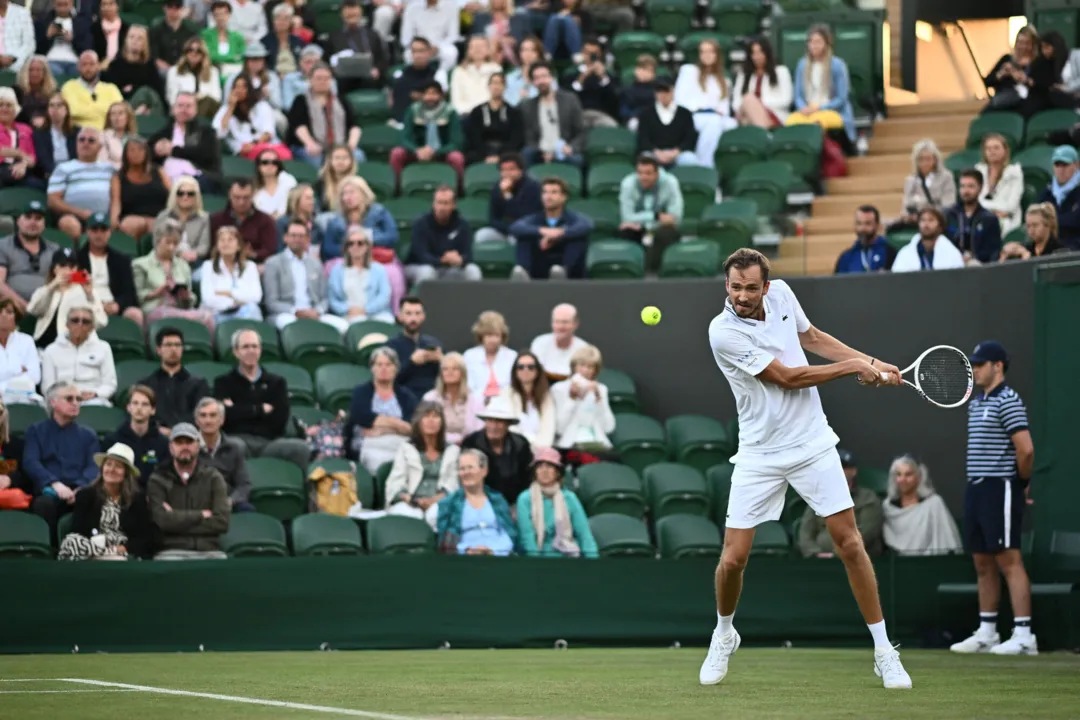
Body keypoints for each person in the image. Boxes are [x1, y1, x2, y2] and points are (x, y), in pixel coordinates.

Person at [701, 247, 911, 688]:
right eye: (735, 287)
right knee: (733, 559)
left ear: (767, 286)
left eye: (751, 288)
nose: (742, 295)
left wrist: (870, 361)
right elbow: (788, 378)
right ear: (727, 285)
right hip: (759, 452)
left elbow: (812, 337)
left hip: (812, 442)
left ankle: (882, 650)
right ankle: (724, 633)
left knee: (850, 543)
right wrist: (853, 367)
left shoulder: (783, 296)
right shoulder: (722, 332)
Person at [950, 341, 1037, 656]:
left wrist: (1020, 482)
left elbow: (1025, 449)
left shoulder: (1008, 401)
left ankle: (1025, 636)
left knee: (1008, 559)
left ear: (998, 366)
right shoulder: (976, 402)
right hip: (976, 487)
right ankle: (987, 632)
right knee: (982, 560)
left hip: (1000, 487)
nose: (974, 370)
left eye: (980, 364)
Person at [213, 328, 310, 467]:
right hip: (238, 439)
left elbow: (279, 420)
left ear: (260, 350)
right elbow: (224, 418)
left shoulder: (277, 383)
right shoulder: (223, 382)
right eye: (245, 347)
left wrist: (237, 409)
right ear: (236, 352)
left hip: (270, 442)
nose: (251, 350)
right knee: (232, 446)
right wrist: (259, 410)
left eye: (255, 346)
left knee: (301, 448)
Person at [25, 382, 101, 545]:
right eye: (69, 398)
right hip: (50, 490)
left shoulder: (88, 435)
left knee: (91, 499)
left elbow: (93, 466)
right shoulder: (36, 431)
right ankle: (51, 550)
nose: (75, 403)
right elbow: (31, 462)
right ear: (53, 402)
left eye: (78, 399)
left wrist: (80, 487)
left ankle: (80, 549)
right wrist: (55, 484)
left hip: (80, 491)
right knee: (43, 504)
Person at [57, 442, 158, 560]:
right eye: (108, 464)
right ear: (102, 468)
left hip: (120, 551)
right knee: (71, 541)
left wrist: (119, 549)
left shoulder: (137, 499)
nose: (112, 469)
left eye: (118, 466)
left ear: (126, 473)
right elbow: (77, 531)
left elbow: (144, 537)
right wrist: (98, 548)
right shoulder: (86, 495)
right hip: (90, 548)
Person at [147, 421, 231, 560]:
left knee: (221, 562)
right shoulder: (158, 479)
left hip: (209, 550)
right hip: (171, 551)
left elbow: (222, 522)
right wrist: (201, 515)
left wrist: (175, 517)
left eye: (189, 442)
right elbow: (161, 521)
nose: (184, 447)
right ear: (171, 447)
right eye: (179, 442)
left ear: (198, 446)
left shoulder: (213, 477)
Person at [384, 400, 460, 528]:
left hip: (440, 501)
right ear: (418, 421)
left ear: (442, 422)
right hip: (410, 501)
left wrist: (434, 500)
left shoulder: (452, 451)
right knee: (409, 516)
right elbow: (395, 482)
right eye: (426, 416)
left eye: (436, 416)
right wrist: (411, 499)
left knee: (436, 514)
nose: (431, 420)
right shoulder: (406, 448)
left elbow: (453, 483)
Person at [797, 449, 883, 558]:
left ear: (853, 471)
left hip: (856, 559)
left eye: (844, 467)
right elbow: (805, 532)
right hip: (819, 560)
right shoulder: (818, 498)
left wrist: (836, 554)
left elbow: (868, 533)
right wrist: (815, 553)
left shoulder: (867, 498)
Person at [263, 219, 345, 331]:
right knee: (290, 324)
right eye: (293, 235)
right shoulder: (273, 263)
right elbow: (271, 302)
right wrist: (296, 311)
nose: (297, 239)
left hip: (314, 313)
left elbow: (325, 299)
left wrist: (317, 311)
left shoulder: (316, 264)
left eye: (301, 236)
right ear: (285, 238)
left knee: (343, 326)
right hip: (286, 314)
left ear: (308, 239)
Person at [346, 345, 418, 473]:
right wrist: (397, 424)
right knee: (381, 464)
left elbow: (412, 427)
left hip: (399, 444)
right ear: (372, 368)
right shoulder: (361, 392)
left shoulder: (406, 396)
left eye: (388, 365)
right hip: (368, 444)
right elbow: (361, 417)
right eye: (379, 365)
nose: (383, 369)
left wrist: (381, 429)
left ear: (396, 368)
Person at [132, 219, 214, 330]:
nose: (171, 247)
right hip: (156, 308)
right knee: (167, 315)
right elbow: (137, 296)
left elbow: (192, 296)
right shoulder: (140, 265)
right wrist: (158, 291)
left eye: (175, 243)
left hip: (182, 308)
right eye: (168, 242)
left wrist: (187, 296)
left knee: (208, 317)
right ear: (158, 241)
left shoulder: (183, 266)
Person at [516, 447, 597, 557]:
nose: (544, 471)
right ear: (535, 472)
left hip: (568, 556)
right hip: (539, 557)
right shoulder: (525, 499)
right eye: (540, 466)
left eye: (549, 466)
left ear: (557, 472)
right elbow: (527, 536)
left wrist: (593, 560)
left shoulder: (569, 498)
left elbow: (584, 533)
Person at [785, 24, 857, 149]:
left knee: (817, 124)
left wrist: (820, 108)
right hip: (807, 110)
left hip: (830, 110)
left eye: (818, 42)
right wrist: (803, 108)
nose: (814, 45)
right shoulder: (802, 65)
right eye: (811, 42)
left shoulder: (837, 65)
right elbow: (797, 96)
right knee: (791, 122)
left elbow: (841, 98)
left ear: (826, 43)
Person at [436, 448, 516, 555]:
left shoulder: (498, 500)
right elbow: (444, 540)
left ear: (484, 471)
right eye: (462, 469)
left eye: (470, 467)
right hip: (463, 561)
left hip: (498, 559)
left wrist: (494, 550)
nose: (466, 472)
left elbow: (509, 534)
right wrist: (466, 550)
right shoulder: (449, 503)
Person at [509, 176, 592, 280]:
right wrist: (542, 231)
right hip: (539, 265)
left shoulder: (572, 217)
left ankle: (563, 271)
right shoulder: (535, 218)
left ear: (563, 197)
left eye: (554, 192)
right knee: (524, 237)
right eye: (545, 192)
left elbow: (587, 225)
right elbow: (515, 227)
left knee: (578, 239)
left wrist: (559, 233)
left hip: (569, 268)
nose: (548, 196)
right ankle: (523, 273)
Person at [881, 454, 962, 556]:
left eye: (908, 474)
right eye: (899, 474)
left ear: (919, 477)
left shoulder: (934, 504)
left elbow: (949, 541)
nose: (903, 479)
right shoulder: (888, 507)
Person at [674, 39, 737, 168]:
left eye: (710, 51)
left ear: (717, 55)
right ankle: (706, 166)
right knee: (712, 122)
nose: (706, 55)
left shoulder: (724, 81)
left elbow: (724, 109)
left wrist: (717, 112)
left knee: (731, 123)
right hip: (692, 115)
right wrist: (705, 108)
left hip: (717, 117)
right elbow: (680, 100)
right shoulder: (688, 71)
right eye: (703, 52)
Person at [390, 80, 465, 187]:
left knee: (457, 157)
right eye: (427, 93)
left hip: (442, 153)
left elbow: (457, 142)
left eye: (434, 93)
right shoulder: (413, 110)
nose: (430, 97)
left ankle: (459, 192)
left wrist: (436, 152)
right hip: (418, 152)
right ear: (422, 96)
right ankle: (397, 189)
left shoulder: (450, 112)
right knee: (396, 153)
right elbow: (404, 138)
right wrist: (417, 150)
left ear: (441, 95)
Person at [27, 248, 107, 349]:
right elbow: (33, 310)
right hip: (43, 345)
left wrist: (90, 295)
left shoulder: (86, 291)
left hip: (72, 347)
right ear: (55, 269)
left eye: (72, 267)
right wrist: (51, 287)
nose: (68, 271)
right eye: (63, 266)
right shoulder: (46, 290)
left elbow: (101, 322)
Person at [286, 62, 362, 168]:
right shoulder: (301, 100)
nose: (323, 81)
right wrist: (310, 143)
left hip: (339, 146)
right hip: (308, 146)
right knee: (315, 159)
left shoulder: (341, 100)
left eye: (326, 78)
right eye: (319, 78)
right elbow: (299, 126)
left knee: (358, 155)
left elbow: (354, 126)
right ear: (310, 80)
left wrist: (351, 145)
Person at [46, 126, 115, 241]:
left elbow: (116, 197)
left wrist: (112, 217)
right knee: (69, 223)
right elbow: (52, 200)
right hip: (73, 216)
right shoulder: (63, 168)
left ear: (100, 147)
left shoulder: (109, 169)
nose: (85, 143)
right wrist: (81, 212)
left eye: (91, 140)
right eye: (81, 140)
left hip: (104, 217)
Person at [138, 326, 211, 432]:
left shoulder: (198, 385)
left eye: (177, 345)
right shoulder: (146, 385)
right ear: (158, 350)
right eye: (168, 345)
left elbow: (201, 414)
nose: (173, 349)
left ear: (182, 349)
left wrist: (175, 430)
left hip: (188, 437)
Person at [461, 395, 533, 504]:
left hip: (515, 502)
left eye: (499, 421)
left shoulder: (521, 444)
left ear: (507, 424)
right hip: (479, 501)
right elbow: (465, 477)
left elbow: (527, 479)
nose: (494, 426)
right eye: (490, 420)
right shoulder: (471, 442)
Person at [41, 303, 117, 406]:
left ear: (92, 327)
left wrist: (96, 393)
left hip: (92, 399)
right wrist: (67, 396)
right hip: (61, 399)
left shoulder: (103, 348)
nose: (79, 324)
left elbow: (110, 384)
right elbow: (47, 386)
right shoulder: (51, 350)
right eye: (75, 320)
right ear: (67, 324)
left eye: (85, 322)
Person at [405, 185, 481, 285]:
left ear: (454, 205)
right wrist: (442, 260)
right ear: (433, 204)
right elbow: (421, 255)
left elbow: (469, 254)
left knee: (473, 271)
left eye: (446, 203)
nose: (442, 208)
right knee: (427, 271)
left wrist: (460, 259)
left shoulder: (463, 225)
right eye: (439, 203)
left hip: (451, 267)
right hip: (420, 266)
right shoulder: (421, 223)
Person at [618, 154, 683, 269]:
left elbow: (675, 217)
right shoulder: (628, 184)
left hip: (660, 228)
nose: (643, 177)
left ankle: (658, 272)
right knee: (626, 231)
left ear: (657, 173)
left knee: (667, 232)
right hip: (638, 228)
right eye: (640, 173)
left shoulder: (670, 183)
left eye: (648, 173)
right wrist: (655, 216)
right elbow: (627, 217)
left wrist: (645, 220)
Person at [549, 343, 614, 455]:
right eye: (582, 365)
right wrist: (572, 399)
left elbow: (609, 428)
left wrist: (599, 401)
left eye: (590, 367)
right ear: (574, 367)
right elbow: (559, 429)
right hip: (570, 445)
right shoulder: (559, 389)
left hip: (597, 444)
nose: (585, 370)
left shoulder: (602, 389)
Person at [150, 92, 222, 190]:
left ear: (196, 110)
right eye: (180, 106)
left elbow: (205, 154)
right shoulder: (164, 133)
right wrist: (156, 150)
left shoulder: (206, 131)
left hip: (198, 179)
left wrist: (173, 150)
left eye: (188, 106)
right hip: (167, 180)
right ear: (173, 108)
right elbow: (147, 152)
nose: (183, 110)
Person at [194, 396, 253, 512]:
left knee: (248, 510)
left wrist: (230, 501)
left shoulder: (235, 447)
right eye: (203, 415)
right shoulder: (187, 447)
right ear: (196, 421)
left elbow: (244, 485)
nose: (208, 420)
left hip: (227, 501)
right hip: (196, 504)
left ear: (222, 420)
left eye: (213, 415)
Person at [520, 63, 585, 167]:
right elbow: (529, 138)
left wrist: (571, 147)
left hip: (564, 151)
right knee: (526, 154)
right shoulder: (528, 106)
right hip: (539, 153)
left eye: (544, 76)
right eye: (537, 78)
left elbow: (581, 132)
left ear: (552, 78)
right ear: (533, 82)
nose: (541, 81)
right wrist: (542, 153)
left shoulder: (570, 100)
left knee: (577, 160)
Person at [215, 77, 290, 164]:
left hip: (264, 148)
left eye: (243, 87)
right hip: (243, 152)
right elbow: (219, 133)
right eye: (236, 87)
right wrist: (231, 107)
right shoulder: (225, 110)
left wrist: (254, 145)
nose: (239, 90)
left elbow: (268, 133)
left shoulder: (262, 106)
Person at [328, 225, 393, 324]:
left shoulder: (379, 269)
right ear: (346, 247)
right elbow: (332, 299)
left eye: (360, 243)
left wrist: (365, 310)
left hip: (374, 315)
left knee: (388, 320)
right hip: (346, 315)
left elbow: (384, 296)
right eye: (351, 243)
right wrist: (348, 310)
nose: (355, 246)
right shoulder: (336, 270)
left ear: (367, 247)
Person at [0, 201, 59, 311]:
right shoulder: (3, 245)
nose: (33, 222)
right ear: (18, 221)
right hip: (12, 307)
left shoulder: (55, 249)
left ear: (44, 224)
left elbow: (63, 279)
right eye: (28, 217)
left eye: (38, 218)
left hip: (47, 307)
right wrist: (25, 307)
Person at [104, 384, 170, 481]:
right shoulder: (113, 441)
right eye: (135, 403)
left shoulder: (163, 444)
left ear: (153, 410)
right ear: (128, 407)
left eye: (145, 404)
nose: (139, 408)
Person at [110, 136, 172, 241]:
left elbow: (173, 194)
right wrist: (114, 221)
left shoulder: (159, 171)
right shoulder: (118, 177)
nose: (136, 153)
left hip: (160, 218)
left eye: (140, 149)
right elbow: (116, 202)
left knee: (166, 225)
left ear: (146, 152)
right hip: (132, 219)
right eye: (132, 150)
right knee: (134, 224)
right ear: (126, 154)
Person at [199, 226, 263, 323]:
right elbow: (208, 298)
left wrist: (229, 293)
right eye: (222, 240)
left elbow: (256, 296)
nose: (226, 243)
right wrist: (234, 302)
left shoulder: (250, 267)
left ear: (238, 246)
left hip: (244, 313)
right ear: (217, 245)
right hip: (218, 313)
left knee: (254, 310)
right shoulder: (208, 266)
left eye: (230, 240)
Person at [474, 153, 541, 245]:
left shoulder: (532, 187)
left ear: (521, 170)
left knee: (515, 239)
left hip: (526, 231)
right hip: (505, 230)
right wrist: (507, 228)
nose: (507, 173)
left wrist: (507, 194)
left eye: (511, 169)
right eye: (503, 170)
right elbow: (493, 219)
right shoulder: (497, 187)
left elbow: (524, 217)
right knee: (482, 235)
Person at [209, 179, 278, 263]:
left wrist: (254, 254)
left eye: (246, 198)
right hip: (220, 263)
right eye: (237, 197)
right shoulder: (216, 220)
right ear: (230, 195)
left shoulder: (265, 220)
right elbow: (210, 248)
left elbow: (270, 249)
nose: (241, 202)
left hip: (255, 264)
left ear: (253, 195)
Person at [387, 295, 443, 398]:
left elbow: (446, 377)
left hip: (433, 398)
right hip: (403, 398)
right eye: (408, 313)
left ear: (423, 316)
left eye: (417, 313)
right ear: (400, 316)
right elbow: (389, 379)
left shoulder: (433, 343)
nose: (413, 318)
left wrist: (441, 361)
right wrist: (411, 362)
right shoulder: (391, 346)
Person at [636, 78, 698, 168]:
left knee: (690, 159)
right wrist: (657, 152)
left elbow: (690, 138)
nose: (663, 95)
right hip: (654, 153)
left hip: (678, 153)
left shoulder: (685, 113)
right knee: (645, 159)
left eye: (666, 91)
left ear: (673, 91)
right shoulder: (646, 114)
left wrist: (676, 152)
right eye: (659, 91)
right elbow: (643, 138)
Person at [732, 36, 793, 130]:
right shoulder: (743, 74)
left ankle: (762, 134)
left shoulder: (781, 71)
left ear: (767, 53)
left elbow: (786, 100)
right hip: (746, 114)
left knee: (749, 99)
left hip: (773, 114)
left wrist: (759, 103)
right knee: (746, 105)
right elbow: (736, 101)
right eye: (754, 53)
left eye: (760, 52)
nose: (757, 57)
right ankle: (764, 136)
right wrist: (748, 108)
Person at [423, 351, 483, 444]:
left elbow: (479, 429)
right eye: (445, 369)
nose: (449, 372)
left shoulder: (475, 399)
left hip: (468, 445)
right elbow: (424, 428)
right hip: (438, 445)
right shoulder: (430, 398)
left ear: (463, 373)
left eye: (455, 369)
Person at [896, 139, 955, 231]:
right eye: (921, 159)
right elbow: (906, 206)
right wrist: (909, 216)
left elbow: (948, 206)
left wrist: (924, 210)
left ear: (935, 160)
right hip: (914, 223)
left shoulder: (946, 177)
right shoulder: (911, 180)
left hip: (938, 222)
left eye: (928, 159)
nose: (924, 163)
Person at [465, 73, 524, 166]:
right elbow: (474, 136)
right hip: (481, 151)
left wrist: (500, 155)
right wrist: (486, 154)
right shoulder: (477, 111)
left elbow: (516, 137)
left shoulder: (513, 112)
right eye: (494, 83)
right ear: (488, 86)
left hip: (506, 151)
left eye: (500, 83)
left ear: (505, 87)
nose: (496, 87)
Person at [946, 169, 1002, 265]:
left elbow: (994, 252)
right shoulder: (948, 215)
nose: (966, 191)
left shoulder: (989, 219)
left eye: (971, 186)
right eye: (963, 186)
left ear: (980, 188)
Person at [153, 176, 212, 268]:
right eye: (180, 193)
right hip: (166, 259)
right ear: (174, 195)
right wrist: (179, 253)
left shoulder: (204, 218)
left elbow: (204, 246)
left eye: (190, 194)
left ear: (196, 196)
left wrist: (193, 254)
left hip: (194, 262)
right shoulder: (163, 216)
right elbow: (156, 242)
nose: (185, 197)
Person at [501, 350, 555, 448]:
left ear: (537, 371)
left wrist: (539, 448)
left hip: (541, 450)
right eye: (520, 367)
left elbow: (548, 428)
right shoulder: (506, 394)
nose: (525, 370)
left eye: (531, 367)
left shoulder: (546, 396)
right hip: (514, 448)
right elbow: (510, 427)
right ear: (515, 371)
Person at [60, 51, 124, 131]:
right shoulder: (68, 87)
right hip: (77, 134)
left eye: (92, 64)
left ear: (98, 66)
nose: (88, 68)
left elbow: (121, 113)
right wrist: (100, 111)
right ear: (78, 67)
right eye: (84, 64)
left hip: (106, 134)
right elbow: (72, 111)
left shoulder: (111, 89)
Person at [974, 133, 1024, 236]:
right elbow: (974, 202)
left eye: (996, 148)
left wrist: (984, 209)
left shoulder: (1014, 173)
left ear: (1005, 151)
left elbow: (1010, 207)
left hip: (1007, 222)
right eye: (988, 148)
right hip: (980, 218)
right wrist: (994, 211)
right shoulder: (979, 171)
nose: (992, 151)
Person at [565, 36, 619, 128]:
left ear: (600, 55)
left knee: (612, 128)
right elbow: (566, 100)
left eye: (594, 54)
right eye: (587, 53)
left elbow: (615, 101)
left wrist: (603, 78)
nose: (590, 57)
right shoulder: (571, 74)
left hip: (602, 115)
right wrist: (581, 79)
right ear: (582, 53)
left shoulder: (610, 75)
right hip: (579, 114)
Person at [390, 37, 449, 122]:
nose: (418, 55)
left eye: (421, 51)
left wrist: (421, 97)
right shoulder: (400, 74)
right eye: (414, 51)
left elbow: (442, 99)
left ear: (429, 52)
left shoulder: (438, 74)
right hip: (401, 121)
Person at [463, 310, 517, 399]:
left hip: (506, 403)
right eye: (489, 335)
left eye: (496, 335)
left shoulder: (512, 356)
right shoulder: (469, 356)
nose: (493, 340)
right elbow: (467, 386)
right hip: (476, 403)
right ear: (481, 336)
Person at [891, 207, 965, 273]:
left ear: (940, 226)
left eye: (931, 220)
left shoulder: (952, 253)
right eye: (922, 220)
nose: (926, 224)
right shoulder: (905, 253)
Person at [983, 26, 1038, 113]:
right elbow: (987, 82)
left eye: (1027, 43)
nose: (1023, 47)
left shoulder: (1037, 63)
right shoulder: (1007, 59)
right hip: (1002, 100)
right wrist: (1000, 74)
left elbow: (1041, 85)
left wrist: (1024, 79)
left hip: (1025, 103)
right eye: (1020, 42)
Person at [1035, 145, 1080, 249]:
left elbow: (1075, 221)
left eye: (1065, 165)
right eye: (1057, 164)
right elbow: (1036, 219)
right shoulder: (1047, 192)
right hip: (1049, 244)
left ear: (1076, 165)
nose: (1061, 169)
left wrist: (1049, 223)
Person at [529, 302, 588, 381]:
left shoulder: (583, 349)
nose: (560, 326)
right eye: (557, 322)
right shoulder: (540, 343)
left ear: (576, 324)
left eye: (565, 322)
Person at [36, 0, 92, 79]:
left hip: (75, 61)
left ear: (72, 3)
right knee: (52, 71)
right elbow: (37, 50)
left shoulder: (82, 21)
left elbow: (87, 48)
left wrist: (73, 39)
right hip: (51, 60)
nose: (62, 7)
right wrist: (47, 36)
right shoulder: (43, 21)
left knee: (83, 70)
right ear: (53, 3)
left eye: (65, 3)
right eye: (59, 4)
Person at [165, 38, 223, 116]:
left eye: (198, 51)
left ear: (203, 54)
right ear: (185, 53)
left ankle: (194, 124)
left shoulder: (213, 71)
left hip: (207, 108)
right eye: (190, 50)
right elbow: (171, 98)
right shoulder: (174, 71)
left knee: (207, 101)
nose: (194, 53)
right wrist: (190, 100)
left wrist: (200, 96)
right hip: (183, 106)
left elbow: (217, 97)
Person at [0, 298, 41, 405]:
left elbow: (34, 376)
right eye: (0, 311)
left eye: (9, 312)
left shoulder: (26, 341)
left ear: (16, 318)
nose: (3, 315)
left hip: (23, 398)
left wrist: (4, 384)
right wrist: (19, 369)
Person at [400, 0, 461, 72]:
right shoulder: (412, 7)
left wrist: (438, 47)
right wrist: (420, 47)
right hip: (418, 46)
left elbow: (453, 35)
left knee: (451, 53)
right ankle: (415, 78)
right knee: (408, 55)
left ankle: (441, 76)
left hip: (441, 47)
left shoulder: (451, 6)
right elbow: (406, 37)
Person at [833, 205, 894, 274]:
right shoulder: (846, 257)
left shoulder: (889, 253)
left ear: (877, 225)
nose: (862, 228)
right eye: (859, 223)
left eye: (868, 224)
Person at [450, 35, 501, 117]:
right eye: (474, 46)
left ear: (488, 50)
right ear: (468, 50)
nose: (478, 50)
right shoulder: (459, 71)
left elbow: (498, 96)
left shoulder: (496, 70)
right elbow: (456, 99)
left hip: (491, 114)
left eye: (481, 46)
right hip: (466, 115)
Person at [31, 93, 79, 180]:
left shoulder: (77, 132)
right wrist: (60, 174)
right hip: (52, 175)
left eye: (59, 105)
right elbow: (44, 160)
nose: (55, 109)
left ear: (66, 110)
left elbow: (78, 157)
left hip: (74, 174)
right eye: (52, 105)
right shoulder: (40, 133)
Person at [1000, 202, 1066, 260]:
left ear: (1047, 225)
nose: (1031, 230)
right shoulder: (1026, 248)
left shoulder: (1060, 251)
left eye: (1035, 225)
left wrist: (1028, 257)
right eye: (1028, 226)